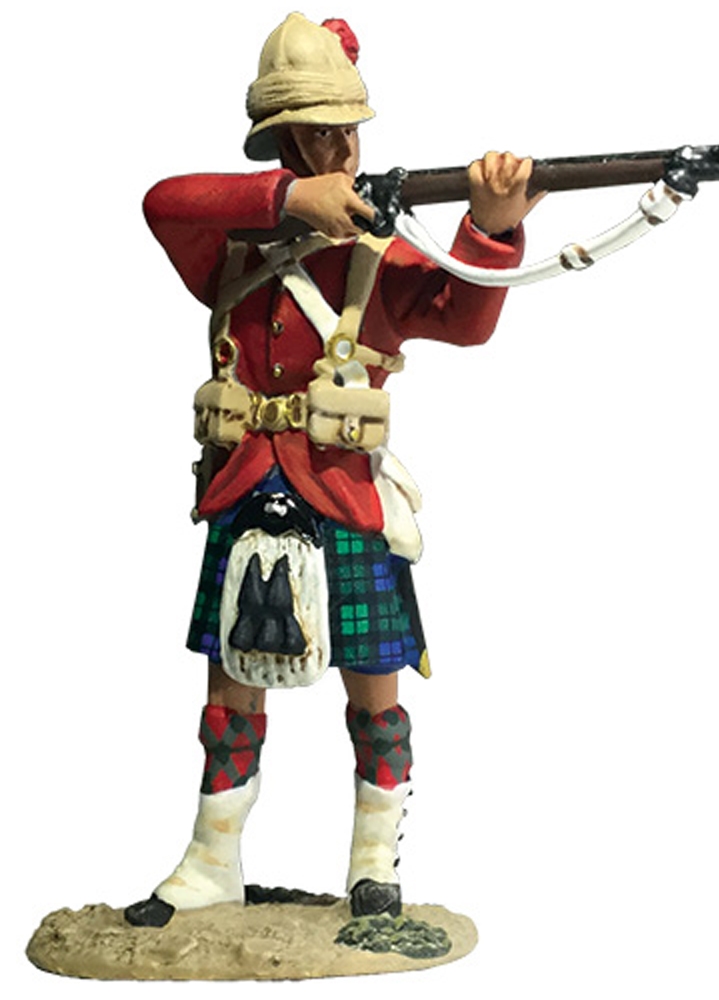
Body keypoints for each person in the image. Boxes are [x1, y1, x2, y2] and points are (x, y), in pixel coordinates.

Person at [125, 12, 540, 927]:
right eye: (316, 134)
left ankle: (373, 864)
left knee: (375, 687)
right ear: (281, 142)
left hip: (343, 494)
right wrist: (288, 200)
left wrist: (491, 227)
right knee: (230, 693)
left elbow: (465, 318)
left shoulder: (376, 251)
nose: (339, 148)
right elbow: (162, 200)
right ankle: (211, 861)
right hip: (245, 487)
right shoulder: (232, 243)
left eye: (344, 131)